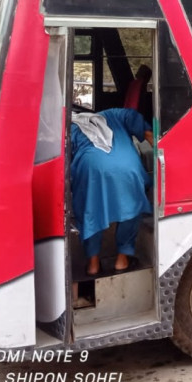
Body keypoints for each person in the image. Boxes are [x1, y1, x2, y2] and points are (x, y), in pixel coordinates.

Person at [71, 107, 153, 276]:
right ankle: (122, 260)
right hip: (127, 168)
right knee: (131, 208)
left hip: (91, 170)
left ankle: (93, 264)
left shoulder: (71, 127)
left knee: (89, 213)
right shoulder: (117, 114)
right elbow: (149, 135)